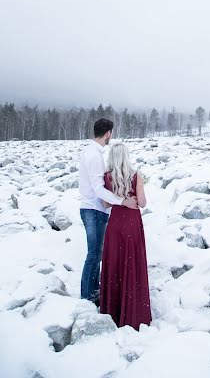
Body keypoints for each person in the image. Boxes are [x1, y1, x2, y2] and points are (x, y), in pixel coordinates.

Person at [79, 118, 138, 305]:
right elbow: (98, 189)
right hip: (93, 209)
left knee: (96, 252)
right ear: (108, 133)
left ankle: (93, 290)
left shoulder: (91, 152)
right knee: (94, 253)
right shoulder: (95, 156)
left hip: (93, 208)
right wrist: (123, 201)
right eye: (111, 133)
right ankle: (88, 294)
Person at [99, 142, 152, 330]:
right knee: (132, 265)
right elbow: (143, 203)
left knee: (115, 264)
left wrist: (118, 198)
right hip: (131, 224)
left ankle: (113, 310)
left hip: (115, 224)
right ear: (126, 156)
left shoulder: (107, 177)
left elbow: (105, 204)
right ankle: (133, 311)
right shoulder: (136, 175)